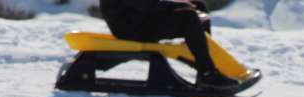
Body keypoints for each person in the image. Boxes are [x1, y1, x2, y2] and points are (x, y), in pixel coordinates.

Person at [98, 0, 240, 91]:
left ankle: (204, 67)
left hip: (140, 17)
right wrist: (178, 5)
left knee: (198, 6)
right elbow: (146, 5)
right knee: (189, 17)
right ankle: (208, 74)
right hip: (131, 27)